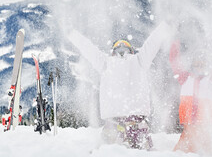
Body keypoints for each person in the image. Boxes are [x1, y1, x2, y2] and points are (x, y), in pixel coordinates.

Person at [68, 21, 173, 150]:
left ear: (113, 52)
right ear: (132, 51)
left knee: (109, 151)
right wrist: (164, 26)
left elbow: (88, 49)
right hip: (136, 121)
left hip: (114, 122)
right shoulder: (140, 61)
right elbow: (152, 43)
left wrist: (72, 34)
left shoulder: (105, 63)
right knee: (143, 152)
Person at [169, 40, 212, 157]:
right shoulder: (185, 78)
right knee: (180, 153)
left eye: (202, 64)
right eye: (197, 64)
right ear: (192, 65)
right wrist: (175, 42)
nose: (199, 67)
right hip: (190, 128)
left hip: (209, 128)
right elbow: (174, 61)